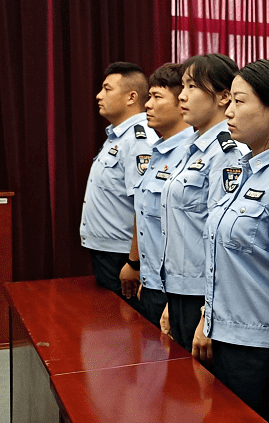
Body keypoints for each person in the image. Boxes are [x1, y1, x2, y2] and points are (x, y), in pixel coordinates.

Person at [190, 60, 269, 422]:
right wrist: (207, 319)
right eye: (228, 101)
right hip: (226, 340)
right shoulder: (244, 172)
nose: (228, 111)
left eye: (240, 102)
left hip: (260, 352)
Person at [160, 53, 247, 352]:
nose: (182, 96)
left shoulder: (226, 153)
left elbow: (222, 241)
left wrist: (208, 312)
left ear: (224, 97)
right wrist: (173, 298)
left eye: (192, 87)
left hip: (205, 297)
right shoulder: (192, 148)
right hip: (182, 291)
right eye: (182, 87)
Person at [121, 63, 194, 328]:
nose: (147, 105)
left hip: (177, 290)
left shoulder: (191, 155)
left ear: (181, 103)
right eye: (148, 96)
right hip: (152, 283)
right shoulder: (156, 151)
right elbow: (145, 217)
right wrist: (143, 273)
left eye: (157, 97)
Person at [80, 62, 157, 305]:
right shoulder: (118, 136)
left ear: (131, 97)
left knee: (125, 334)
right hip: (110, 251)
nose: (99, 95)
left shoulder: (138, 140)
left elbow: (143, 206)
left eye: (107, 89)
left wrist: (134, 262)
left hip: (123, 255)